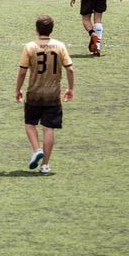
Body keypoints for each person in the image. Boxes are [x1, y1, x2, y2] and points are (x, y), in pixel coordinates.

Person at [15, 15, 75, 174]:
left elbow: (22, 72)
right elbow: (70, 68)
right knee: (48, 129)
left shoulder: (29, 47)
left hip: (34, 93)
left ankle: (36, 149)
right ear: (52, 30)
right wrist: (70, 89)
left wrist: (18, 89)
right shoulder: (60, 46)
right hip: (53, 95)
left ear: (36, 30)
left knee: (30, 123)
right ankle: (45, 165)